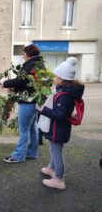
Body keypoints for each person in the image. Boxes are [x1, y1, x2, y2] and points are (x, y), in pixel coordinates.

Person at [37, 57, 84, 190]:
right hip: (58, 129)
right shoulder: (65, 92)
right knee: (53, 150)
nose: (54, 78)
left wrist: (42, 109)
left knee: (57, 152)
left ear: (62, 79)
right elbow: (64, 112)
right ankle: (52, 168)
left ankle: (59, 179)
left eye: (56, 76)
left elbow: (60, 115)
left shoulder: (64, 95)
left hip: (58, 129)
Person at [1, 44, 41, 163]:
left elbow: (21, 81)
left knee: (24, 130)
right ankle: (32, 152)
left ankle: (18, 156)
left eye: (23, 53)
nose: (22, 55)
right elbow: (27, 82)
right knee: (33, 128)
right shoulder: (39, 64)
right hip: (35, 101)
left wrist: (6, 83)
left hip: (27, 101)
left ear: (28, 54)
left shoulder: (30, 65)